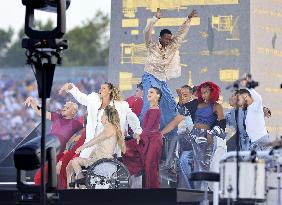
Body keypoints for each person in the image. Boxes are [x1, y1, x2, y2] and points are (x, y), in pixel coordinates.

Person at [140, 8, 197, 167]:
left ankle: (168, 131)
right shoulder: (152, 44)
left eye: (169, 38)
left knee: (172, 106)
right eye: (165, 38)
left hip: (162, 80)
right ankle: (142, 130)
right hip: (150, 76)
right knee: (150, 101)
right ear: (160, 38)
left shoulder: (172, 46)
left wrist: (188, 19)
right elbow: (147, 31)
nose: (168, 40)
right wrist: (154, 19)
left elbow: (181, 34)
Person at [59, 82, 142, 158]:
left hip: (107, 144)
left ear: (110, 91)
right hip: (91, 142)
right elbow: (82, 98)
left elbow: (132, 117)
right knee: (76, 166)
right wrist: (71, 88)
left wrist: (137, 131)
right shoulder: (94, 100)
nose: (100, 90)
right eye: (100, 88)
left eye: (103, 88)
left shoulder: (120, 105)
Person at [23, 97, 83, 185]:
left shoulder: (77, 124)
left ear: (73, 112)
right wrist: (33, 103)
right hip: (51, 153)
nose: (64, 107)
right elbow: (41, 112)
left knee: (58, 178)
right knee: (39, 179)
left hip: (63, 155)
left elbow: (83, 135)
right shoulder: (56, 117)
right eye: (64, 106)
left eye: (68, 107)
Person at [66, 105, 126, 188]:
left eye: (103, 115)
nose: (101, 116)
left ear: (107, 117)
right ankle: (81, 183)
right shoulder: (109, 128)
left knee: (75, 162)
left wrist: (82, 147)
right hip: (100, 159)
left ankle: (83, 184)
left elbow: (96, 140)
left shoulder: (110, 128)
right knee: (74, 164)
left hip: (102, 161)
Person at [138, 87, 163, 188]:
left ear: (158, 96)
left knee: (150, 166)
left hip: (153, 140)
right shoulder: (151, 108)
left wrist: (138, 136)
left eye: (151, 92)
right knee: (149, 167)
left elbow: (148, 129)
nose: (148, 94)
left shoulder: (155, 110)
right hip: (149, 139)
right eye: (148, 92)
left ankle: (154, 191)